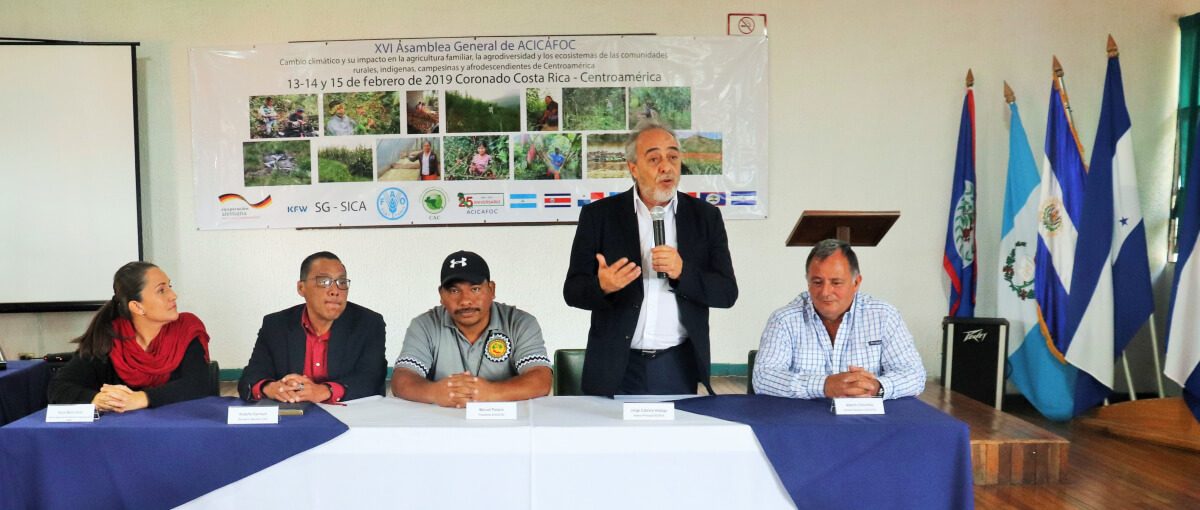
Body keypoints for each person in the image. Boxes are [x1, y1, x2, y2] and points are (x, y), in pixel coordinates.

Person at [563, 120, 738, 396]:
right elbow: (572, 291)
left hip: (677, 363)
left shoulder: (705, 217)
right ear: (633, 168)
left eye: (672, 157)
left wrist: (683, 272)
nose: (666, 166)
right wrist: (602, 287)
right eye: (654, 158)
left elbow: (727, 293)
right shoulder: (599, 216)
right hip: (616, 365)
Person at [752, 239, 925, 399]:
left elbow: (915, 374)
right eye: (817, 282)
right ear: (808, 282)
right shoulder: (784, 320)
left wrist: (877, 387)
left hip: (868, 421)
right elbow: (763, 377)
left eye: (836, 283)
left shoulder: (884, 316)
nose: (825, 292)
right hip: (803, 420)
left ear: (856, 283)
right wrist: (824, 385)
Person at [392, 251, 552, 407]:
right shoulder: (424, 325)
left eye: (475, 289)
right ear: (441, 294)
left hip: (507, 424)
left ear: (492, 289)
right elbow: (402, 378)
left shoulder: (519, 323)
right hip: (443, 422)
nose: (465, 301)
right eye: (454, 291)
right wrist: (434, 392)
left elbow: (541, 378)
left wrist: (491, 392)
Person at [47, 262, 211, 412]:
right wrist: (97, 399)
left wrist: (141, 398)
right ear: (137, 307)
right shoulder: (110, 338)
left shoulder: (186, 329)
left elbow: (199, 385)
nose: (173, 295)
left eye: (170, 286)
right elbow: (59, 388)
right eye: (162, 290)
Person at [238, 252, 386, 404]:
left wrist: (324, 391)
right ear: (301, 288)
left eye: (341, 282)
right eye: (324, 281)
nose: (335, 290)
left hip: (350, 415)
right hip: (291, 415)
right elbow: (251, 377)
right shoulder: (276, 325)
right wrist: (272, 388)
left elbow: (372, 378)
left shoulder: (368, 323)